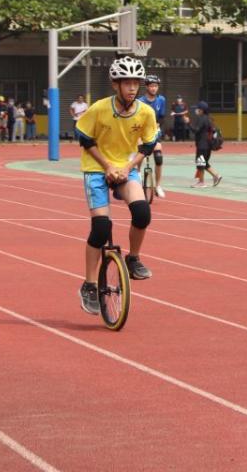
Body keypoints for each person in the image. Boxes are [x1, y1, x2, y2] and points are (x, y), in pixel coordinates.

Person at [74, 56, 159, 315]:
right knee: (101, 227)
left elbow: (147, 145)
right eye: (127, 82)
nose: (132, 87)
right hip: (96, 169)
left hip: (126, 168)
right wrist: (108, 166)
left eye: (136, 82)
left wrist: (128, 167)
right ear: (115, 85)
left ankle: (133, 258)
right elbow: (85, 139)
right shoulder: (99, 109)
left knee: (142, 213)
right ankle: (89, 284)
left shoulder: (146, 112)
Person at [138, 75, 167, 198]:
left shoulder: (161, 100)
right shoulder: (140, 101)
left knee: (159, 158)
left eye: (156, 86)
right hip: (141, 131)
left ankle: (158, 186)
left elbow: (161, 117)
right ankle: (137, 174)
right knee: (139, 152)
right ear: (147, 87)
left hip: (155, 130)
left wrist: (156, 128)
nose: (154, 88)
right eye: (151, 86)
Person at [182, 101, 221, 188]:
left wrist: (188, 123)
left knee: (200, 163)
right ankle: (216, 176)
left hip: (202, 145)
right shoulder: (208, 118)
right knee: (204, 162)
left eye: (197, 109)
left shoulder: (201, 118)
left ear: (201, 110)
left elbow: (196, 130)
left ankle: (201, 182)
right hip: (208, 145)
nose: (196, 110)